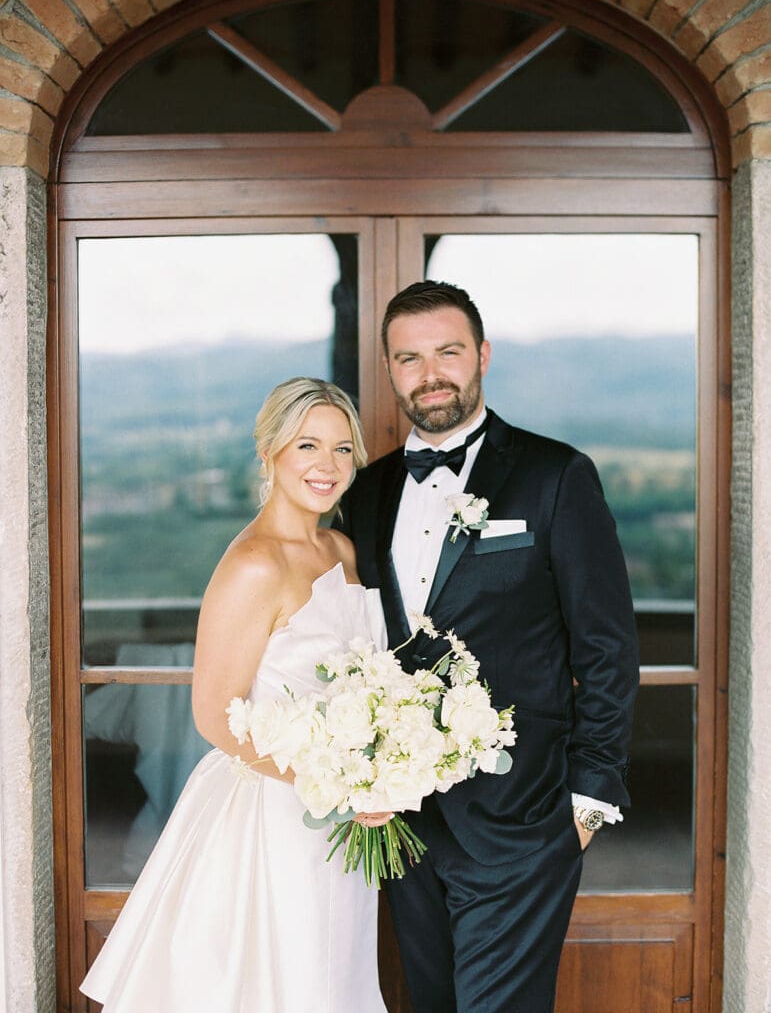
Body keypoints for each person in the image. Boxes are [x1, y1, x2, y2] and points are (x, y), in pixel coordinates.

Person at [341, 281, 640, 1013]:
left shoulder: (554, 476)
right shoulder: (365, 491)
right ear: (389, 369)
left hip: (524, 812)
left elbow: (604, 644)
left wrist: (588, 800)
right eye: (408, 358)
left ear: (481, 355)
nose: (429, 373)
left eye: (447, 351)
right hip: (402, 822)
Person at [81, 377, 389, 1013]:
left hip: (345, 818)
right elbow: (215, 715)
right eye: (307, 445)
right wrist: (334, 783)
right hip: (277, 815)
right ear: (270, 450)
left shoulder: (341, 550)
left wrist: (383, 766)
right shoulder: (254, 563)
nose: (326, 465)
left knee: (337, 972)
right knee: (287, 977)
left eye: (341, 449)